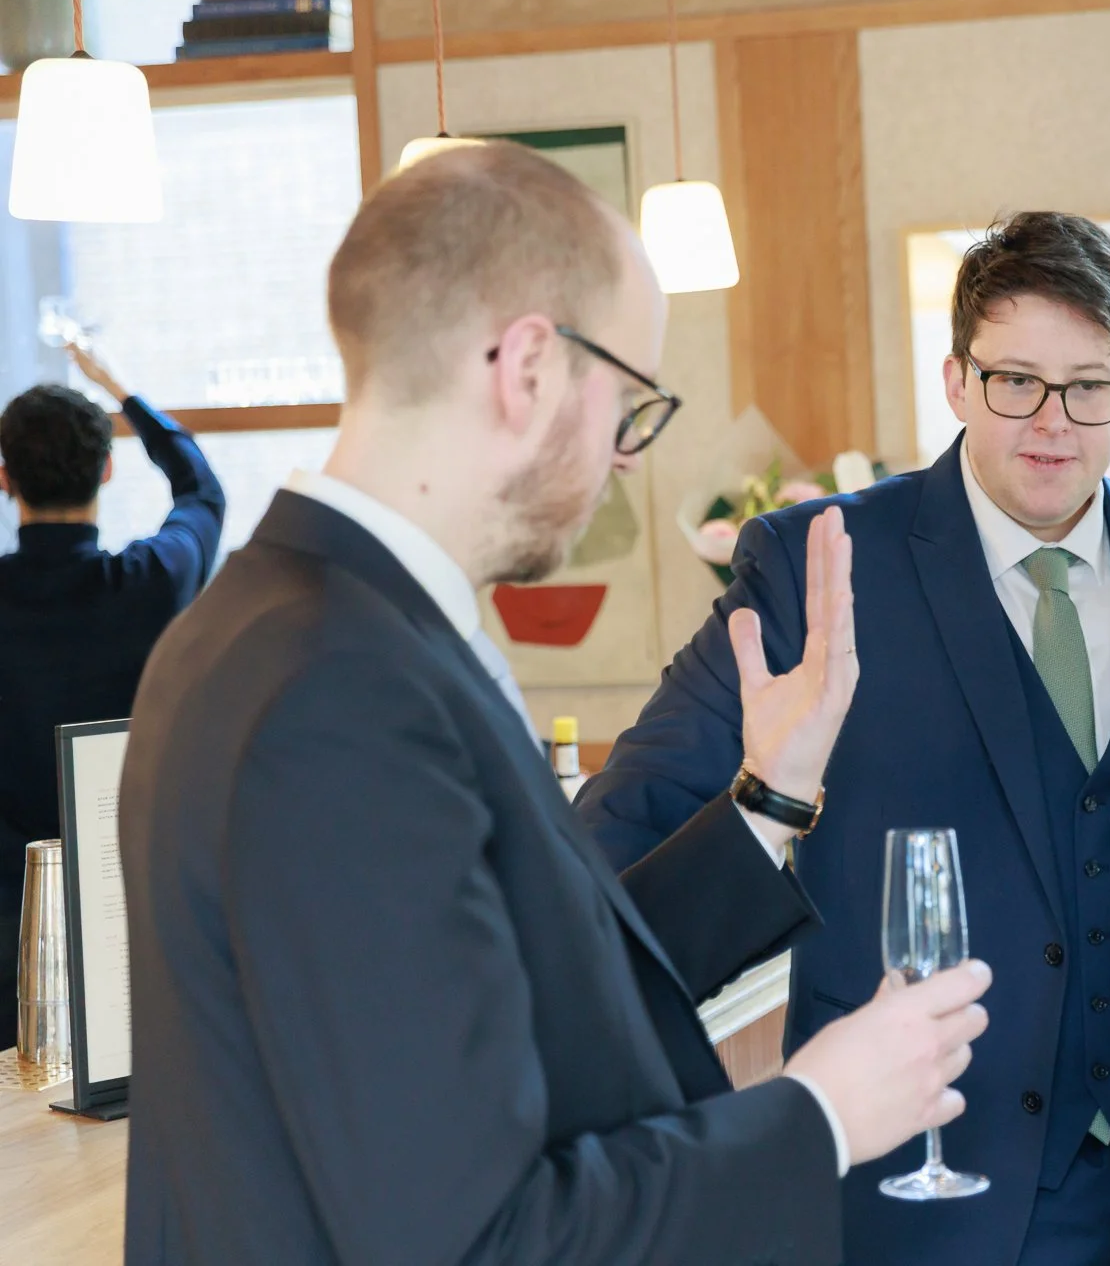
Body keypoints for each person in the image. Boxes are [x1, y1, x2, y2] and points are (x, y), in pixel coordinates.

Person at [118, 141, 990, 1264]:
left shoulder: (313, 625)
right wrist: (819, 1111)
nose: (628, 461)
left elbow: (535, 987)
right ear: (529, 367)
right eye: (630, 404)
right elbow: (475, 1234)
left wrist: (771, 794)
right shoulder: (336, 693)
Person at [578, 212, 1110, 1266]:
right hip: (932, 1187)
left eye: (1088, 386)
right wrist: (765, 790)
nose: (1052, 422)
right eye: (1015, 379)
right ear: (956, 379)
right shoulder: (816, 567)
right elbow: (610, 852)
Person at [0, 348, 223, 1049]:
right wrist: (124, 395)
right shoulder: (149, 582)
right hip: (120, 906)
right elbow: (202, 496)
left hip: (4, 910)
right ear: (107, 470)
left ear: (5, 481)